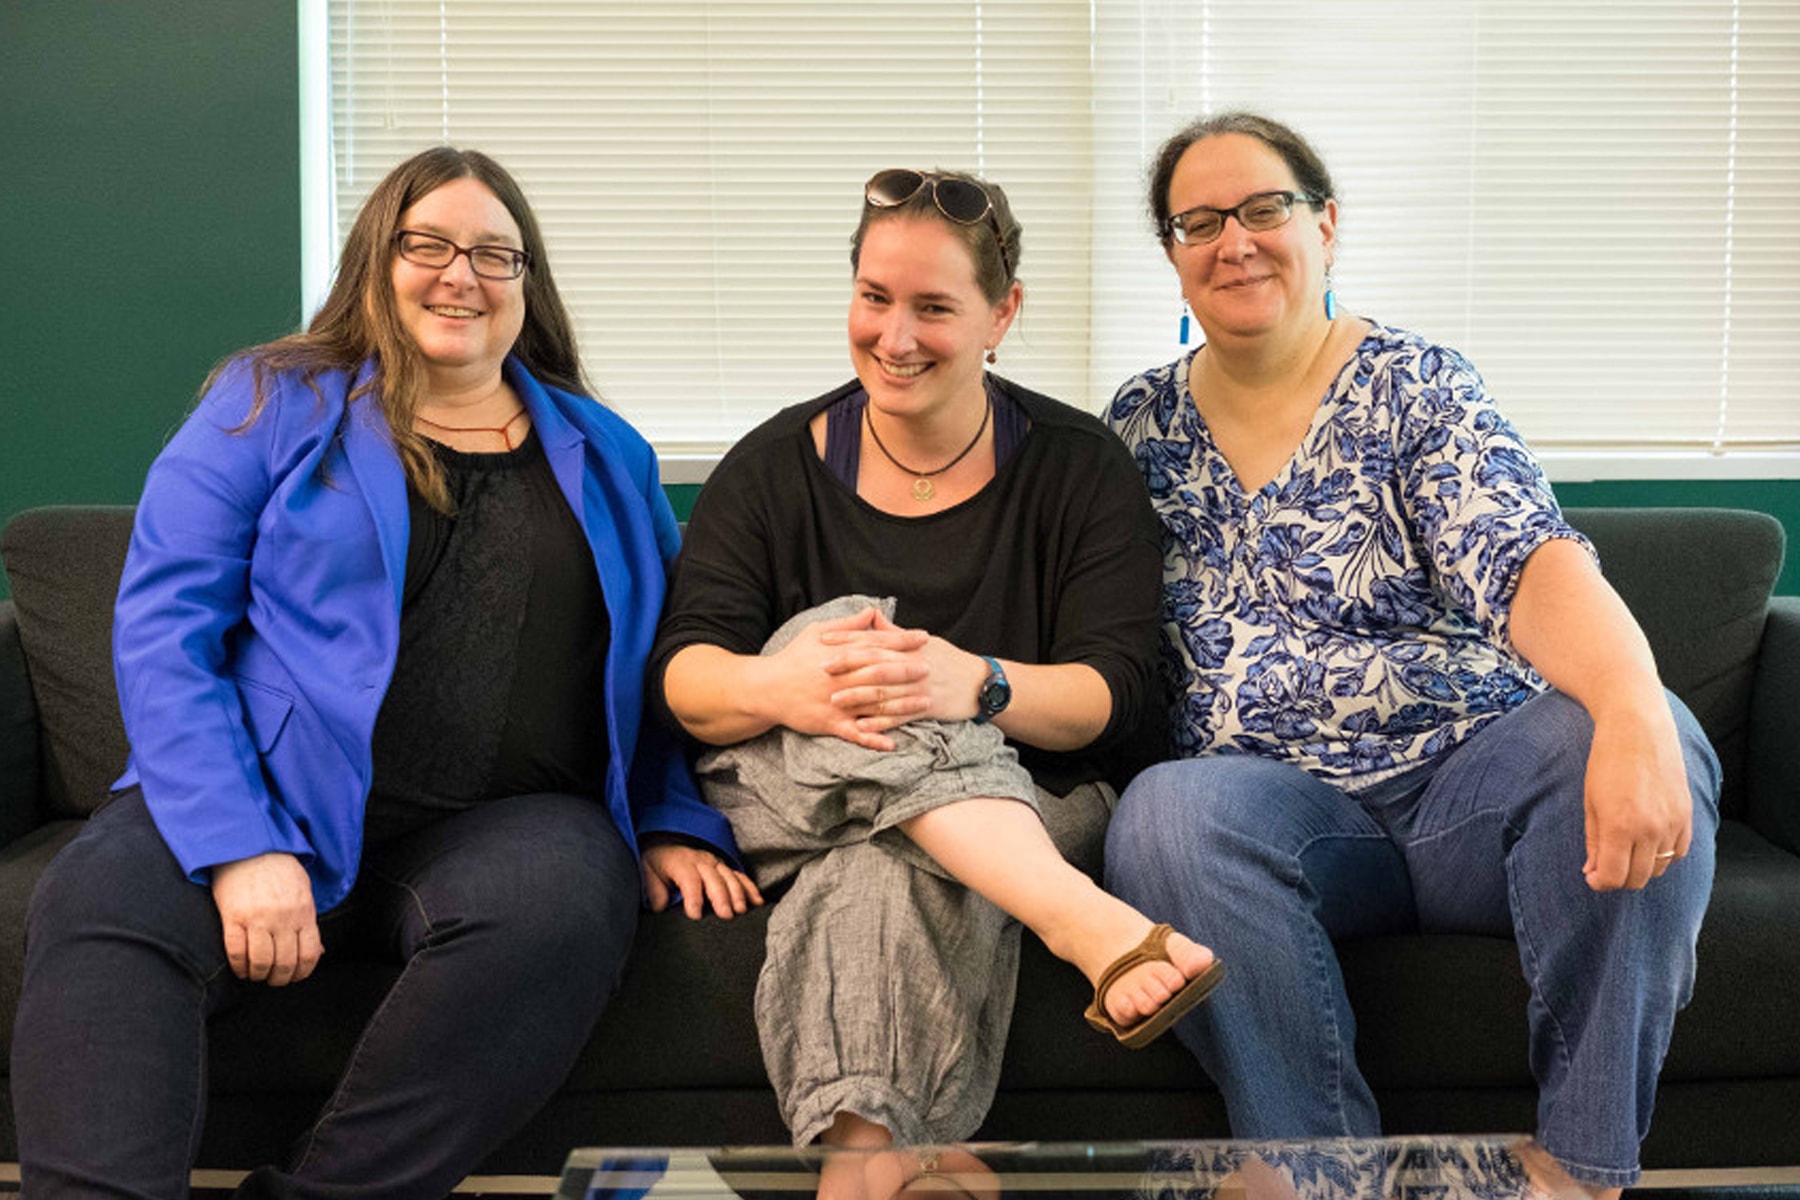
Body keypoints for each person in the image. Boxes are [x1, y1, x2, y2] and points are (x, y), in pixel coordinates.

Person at [10, 146, 760, 1200]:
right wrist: (239, 844)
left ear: (526, 285)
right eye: (430, 244)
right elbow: (163, 631)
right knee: (101, 911)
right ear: (378, 258)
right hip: (266, 788)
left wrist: (676, 814)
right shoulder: (268, 400)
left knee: (558, 916)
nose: (463, 274)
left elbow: (664, 649)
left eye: (496, 254)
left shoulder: (606, 449)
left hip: (508, 817)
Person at [1102, 111, 1720, 1198]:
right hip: (1277, 815)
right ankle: (1313, 1177)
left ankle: (1580, 1175)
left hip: (1467, 789)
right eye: (1199, 222)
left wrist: (1629, 705)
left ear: (1327, 225)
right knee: (1164, 811)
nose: (1233, 240)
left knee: (1639, 728)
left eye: (1264, 209)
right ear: (1173, 256)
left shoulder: (1415, 386)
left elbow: (1529, 560)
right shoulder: (1138, 425)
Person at [651, 168, 1222, 1195]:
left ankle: (870, 1175)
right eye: (875, 298)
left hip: (1037, 803)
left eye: (934, 308)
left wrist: (977, 683)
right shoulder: (775, 464)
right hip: (795, 793)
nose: (895, 336)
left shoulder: (1079, 467)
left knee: (878, 871)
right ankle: (1081, 921)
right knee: (836, 633)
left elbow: (1116, 694)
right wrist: (790, 690)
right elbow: (689, 679)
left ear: (1004, 312)